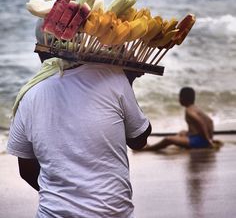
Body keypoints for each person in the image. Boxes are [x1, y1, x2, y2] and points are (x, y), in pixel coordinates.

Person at [7, 20, 152, 218]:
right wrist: (128, 80)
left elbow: (26, 170)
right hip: (112, 213)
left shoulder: (29, 96)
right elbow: (138, 139)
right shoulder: (112, 78)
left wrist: (64, 199)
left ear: (40, 51)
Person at [140, 87, 214, 152]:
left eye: (179, 97)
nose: (179, 99)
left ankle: (148, 149)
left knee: (168, 139)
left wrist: (207, 139)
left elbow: (201, 123)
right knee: (182, 132)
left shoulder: (189, 111)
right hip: (199, 138)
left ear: (183, 99)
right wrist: (210, 136)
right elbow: (210, 121)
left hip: (198, 141)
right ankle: (181, 144)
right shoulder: (195, 108)